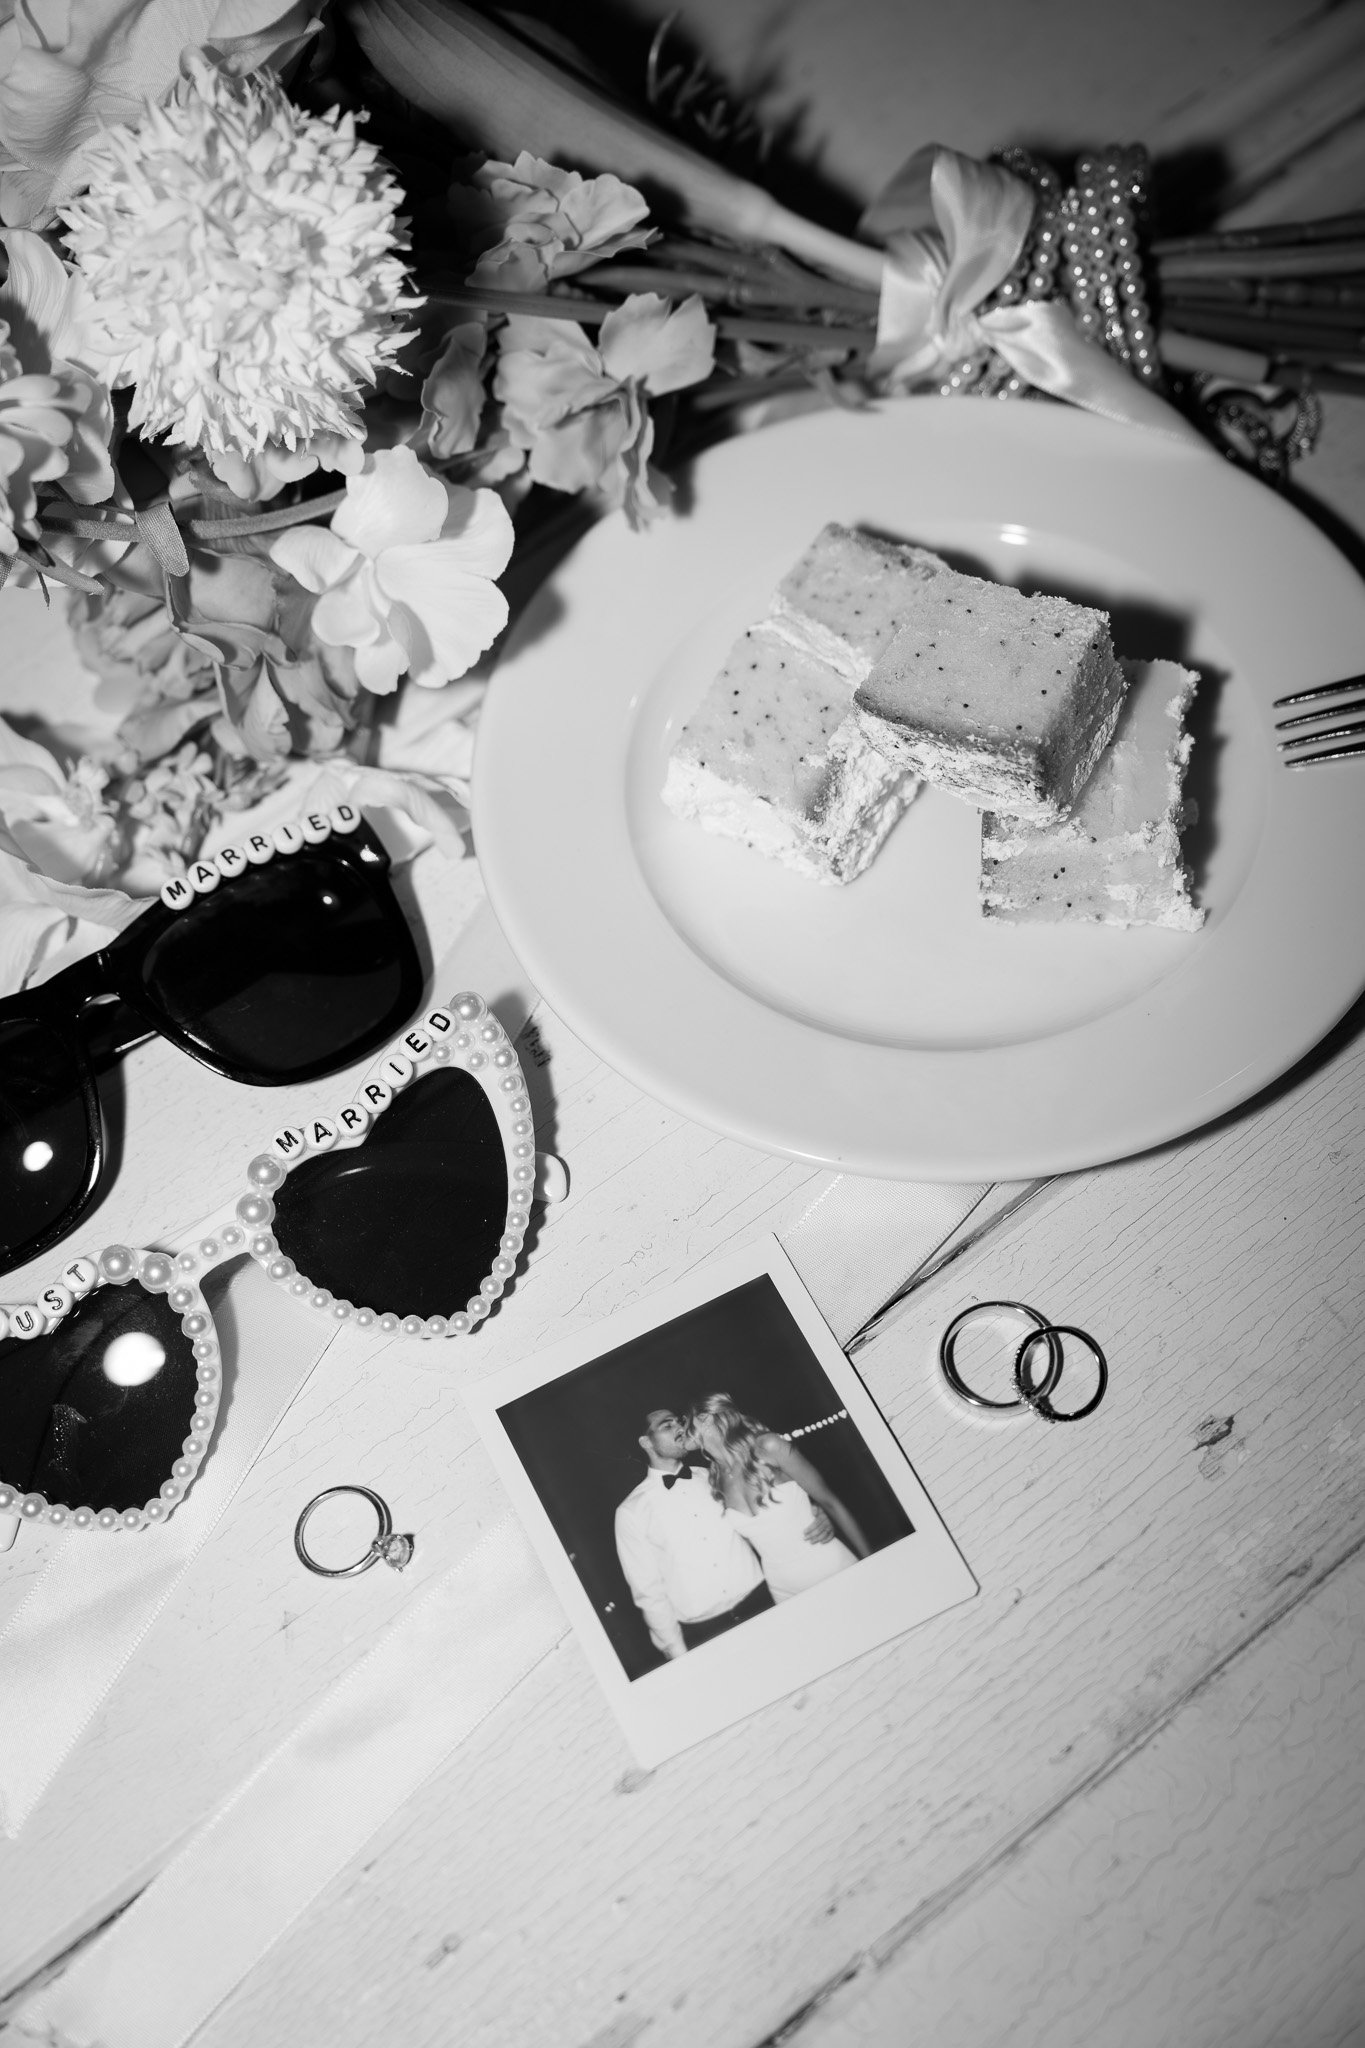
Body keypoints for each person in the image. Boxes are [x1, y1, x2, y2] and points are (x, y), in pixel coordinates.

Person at [684, 1392, 870, 1602]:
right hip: (782, 1590)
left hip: (831, 1567)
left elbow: (831, 1502)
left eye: (685, 1420)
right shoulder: (713, 1479)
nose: (682, 1429)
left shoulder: (768, 1447)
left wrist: (874, 1564)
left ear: (705, 1419)